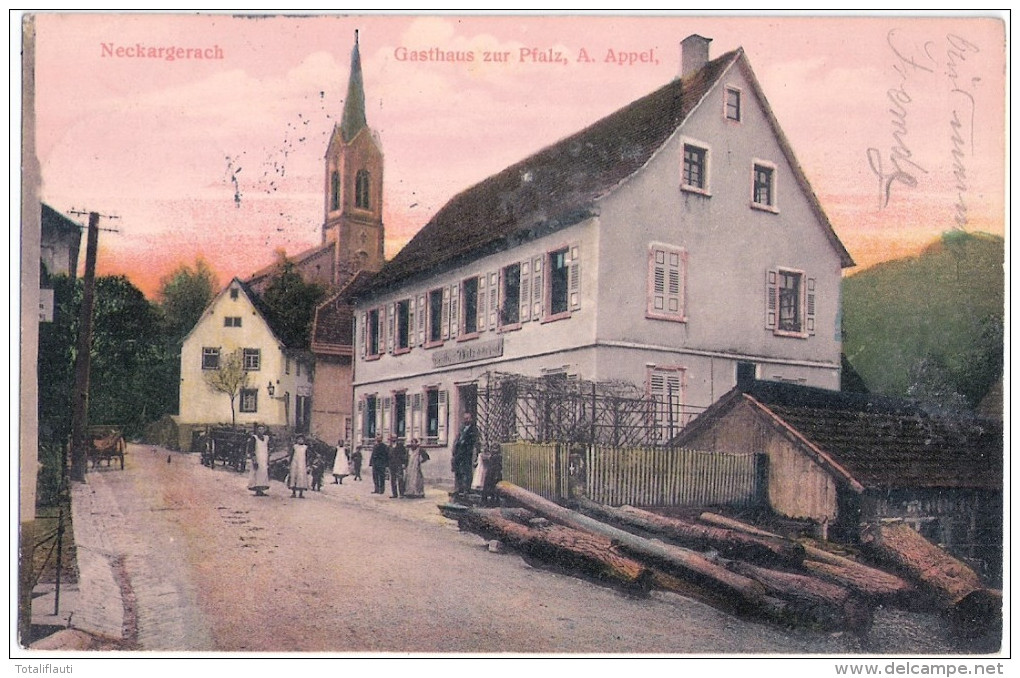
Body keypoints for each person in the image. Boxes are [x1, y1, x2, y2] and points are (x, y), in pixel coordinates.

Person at [451, 411, 478, 497]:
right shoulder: (461, 428)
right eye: (465, 418)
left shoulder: (474, 429)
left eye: (468, 418)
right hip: (459, 453)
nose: (466, 420)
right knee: (458, 471)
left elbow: (474, 442)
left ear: (471, 419)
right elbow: (457, 439)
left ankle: (467, 489)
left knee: (466, 471)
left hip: (467, 453)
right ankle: (459, 488)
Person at [247, 424, 271, 497]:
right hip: (257, 458)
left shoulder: (266, 438)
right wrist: (254, 459)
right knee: (256, 473)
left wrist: (269, 456)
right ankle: (257, 490)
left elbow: (269, 446)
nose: (261, 431)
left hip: (264, 458)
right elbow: (251, 449)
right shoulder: (254, 438)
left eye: (262, 429)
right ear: (257, 430)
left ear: (264, 430)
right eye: (259, 429)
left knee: (263, 473)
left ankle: (261, 490)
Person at [288, 434, 309, 498]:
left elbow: (307, 456)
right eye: (299, 439)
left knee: (301, 477)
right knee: (294, 476)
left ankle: (301, 493)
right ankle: (293, 492)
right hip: (295, 463)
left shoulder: (305, 447)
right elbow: (291, 455)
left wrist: (308, 464)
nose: (300, 440)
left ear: (304, 440)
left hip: (302, 464)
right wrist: (289, 463)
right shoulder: (295, 447)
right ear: (296, 440)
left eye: (301, 439)